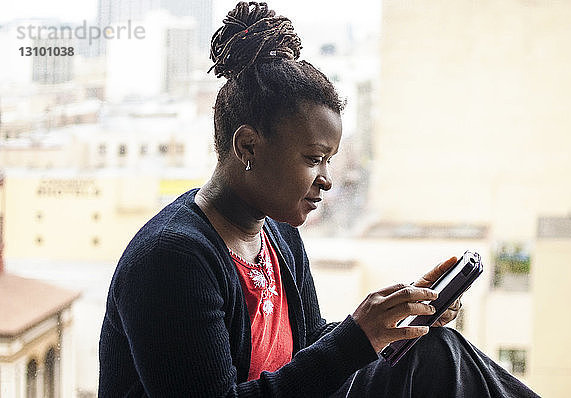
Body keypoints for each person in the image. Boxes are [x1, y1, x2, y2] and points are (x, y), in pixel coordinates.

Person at [99, 2, 540, 397]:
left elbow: (307, 348)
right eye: (314, 159)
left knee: (433, 351)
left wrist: (388, 325)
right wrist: (355, 339)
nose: (326, 180)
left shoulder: (278, 236)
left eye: (330, 160)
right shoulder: (172, 260)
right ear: (248, 147)